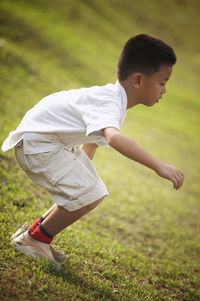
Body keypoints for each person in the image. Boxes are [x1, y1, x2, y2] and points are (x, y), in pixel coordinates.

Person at [2, 34, 184, 268]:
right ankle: (34, 240)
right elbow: (114, 138)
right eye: (162, 82)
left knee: (86, 188)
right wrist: (160, 166)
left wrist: (80, 176)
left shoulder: (113, 100)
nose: (165, 90)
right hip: (39, 145)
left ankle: (35, 234)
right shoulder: (109, 102)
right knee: (91, 192)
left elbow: (91, 144)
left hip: (46, 142)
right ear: (138, 80)